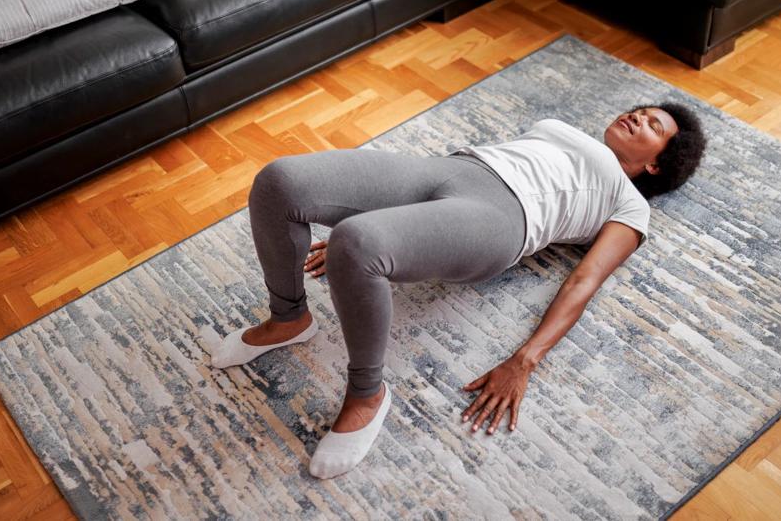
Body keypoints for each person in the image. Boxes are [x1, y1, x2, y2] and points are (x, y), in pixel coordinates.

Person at [211, 102, 707, 479]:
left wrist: (525, 360)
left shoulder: (630, 205)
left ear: (657, 166)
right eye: (638, 111)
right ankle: (288, 318)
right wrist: (397, 222)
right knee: (280, 181)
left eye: (652, 127)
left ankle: (368, 394)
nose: (636, 118)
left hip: (504, 219)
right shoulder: (562, 129)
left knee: (356, 243)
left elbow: (585, 280)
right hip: (452, 169)